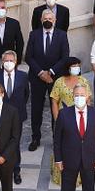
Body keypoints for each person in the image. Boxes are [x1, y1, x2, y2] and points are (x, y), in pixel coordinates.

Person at [27, 9, 71, 151]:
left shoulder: (62, 35)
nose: (48, 20)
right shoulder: (33, 35)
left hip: (55, 78)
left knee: (55, 108)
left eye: (50, 18)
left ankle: (56, 137)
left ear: (55, 20)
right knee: (36, 109)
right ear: (41, 20)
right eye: (45, 18)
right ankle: (35, 137)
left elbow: (65, 57)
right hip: (37, 77)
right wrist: (41, 73)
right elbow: (28, 56)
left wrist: (50, 72)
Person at [0, 51, 29, 184]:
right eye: (6, 60)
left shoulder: (23, 76)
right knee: (0, 144)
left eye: (11, 60)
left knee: (15, 144)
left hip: (17, 115)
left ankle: (16, 171)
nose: (9, 63)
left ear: (16, 61)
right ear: (2, 62)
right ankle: (1, 171)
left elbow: (26, 95)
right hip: (0, 115)